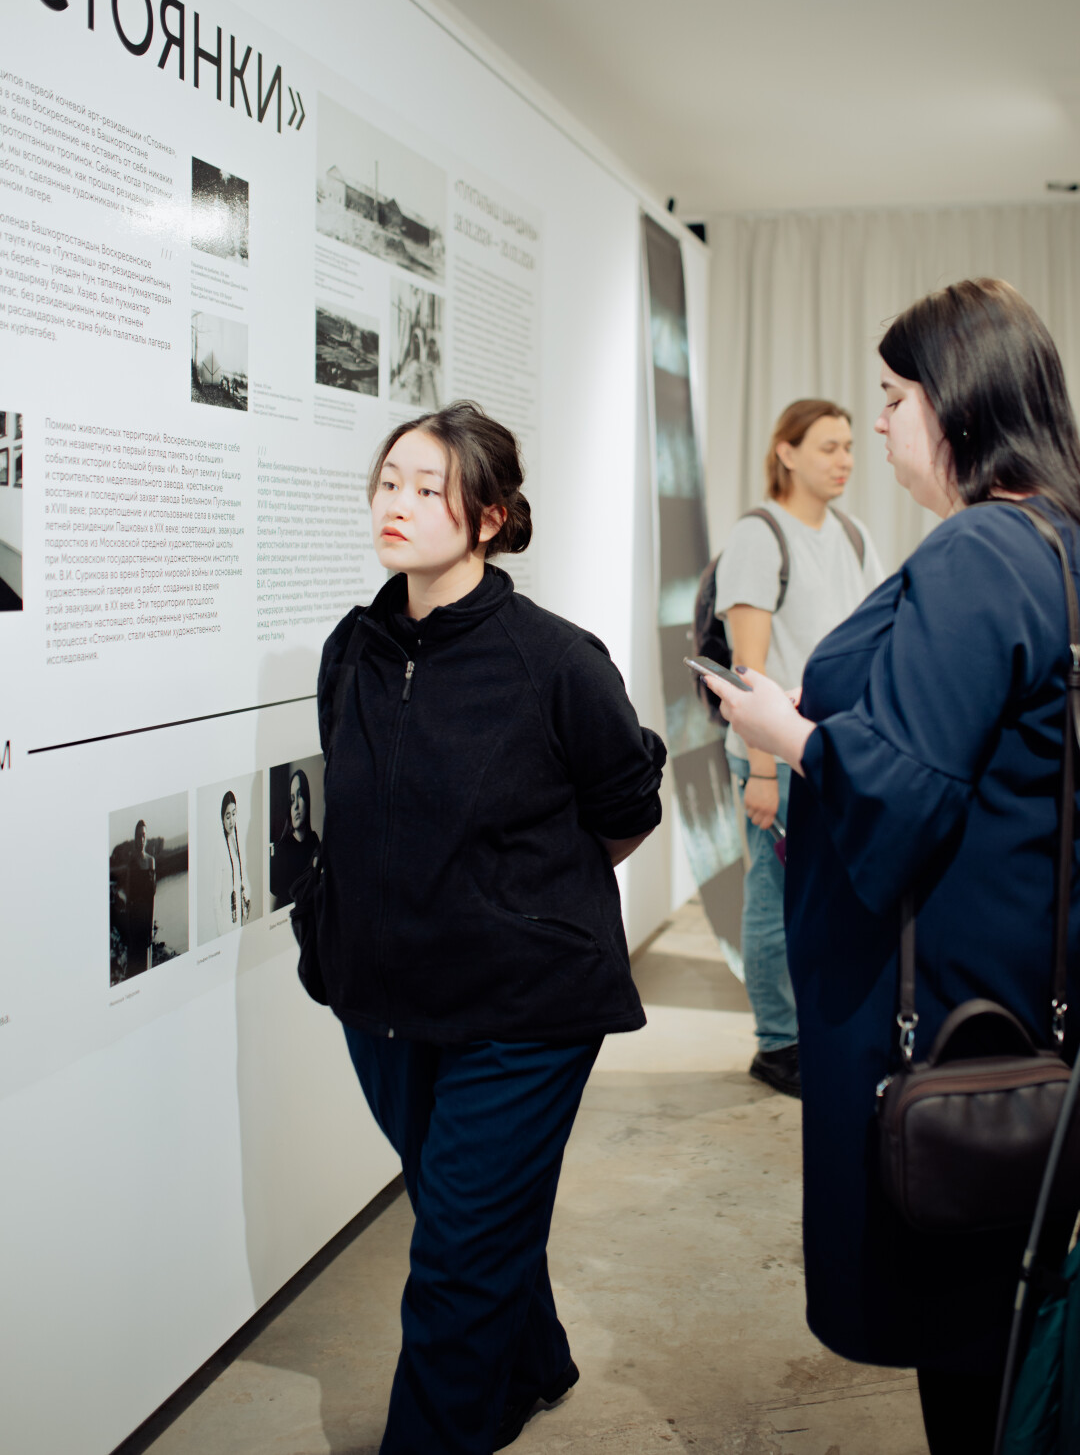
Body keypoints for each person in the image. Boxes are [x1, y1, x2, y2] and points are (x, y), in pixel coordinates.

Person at [706, 279, 1080, 1455]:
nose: (877, 425)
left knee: (967, 1313)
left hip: (947, 1002)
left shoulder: (981, 550)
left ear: (958, 404)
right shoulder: (1056, 538)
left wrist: (789, 736)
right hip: (1024, 970)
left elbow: (907, 787)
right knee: (1007, 1297)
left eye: (892, 396)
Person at [316, 399, 665, 1453]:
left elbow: (624, 810)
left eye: (430, 488)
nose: (400, 504)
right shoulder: (355, 647)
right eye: (390, 482)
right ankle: (534, 1359)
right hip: (385, 1000)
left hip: (525, 1005)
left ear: (491, 518)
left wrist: (520, 901)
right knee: (468, 1210)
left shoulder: (555, 660)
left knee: (456, 1256)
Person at [712, 399, 884, 1096]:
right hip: (771, 758)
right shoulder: (760, 536)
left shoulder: (852, 532)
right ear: (785, 452)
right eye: (827, 448)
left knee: (817, 903)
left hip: (825, 751)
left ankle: (807, 1030)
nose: (845, 460)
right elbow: (745, 670)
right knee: (772, 897)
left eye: (849, 447)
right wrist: (759, 771)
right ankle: (777, 1043)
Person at [270, 768, 320, 907]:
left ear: (307, 799)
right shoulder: (281, 850)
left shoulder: (314, 841)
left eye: (300, 795)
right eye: (292, 800)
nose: (296, 806)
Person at [121, 820, 156, 977]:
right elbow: (129, 898)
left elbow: (152, 897)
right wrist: (128, 930)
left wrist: (150, 925)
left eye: (143, 836)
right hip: (134, 922)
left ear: (146, 837)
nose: (141, 840)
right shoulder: (131, 862)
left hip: (146, 920)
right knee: (135, 967)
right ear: (134, 839)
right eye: (138, 836)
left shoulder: (151, 861)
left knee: (145, 967)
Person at [212, 790, 250, 935]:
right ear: (222, 819)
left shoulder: (237, 843)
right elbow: (215, 897)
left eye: (234, 814)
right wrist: (222, 932)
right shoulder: (220, 846)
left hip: (240, 921)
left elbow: (242, 880)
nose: (232, 820)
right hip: (227, 926)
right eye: (228, 816)